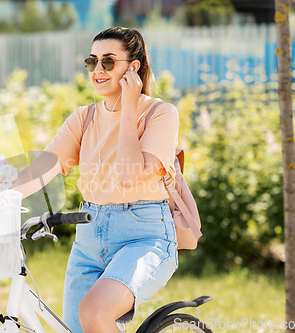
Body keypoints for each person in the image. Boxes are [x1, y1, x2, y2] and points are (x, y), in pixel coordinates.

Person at [14, 27, 179, 333]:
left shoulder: (160, 114)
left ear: (133, 68)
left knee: (94, 312)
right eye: (92, 62)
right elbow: (42, 169)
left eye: (108, 62)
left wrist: (130, 104)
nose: (98, 70)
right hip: (89, 237)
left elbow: (130, 175)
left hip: (143, 235)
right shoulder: (84, 117)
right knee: (76, 327)